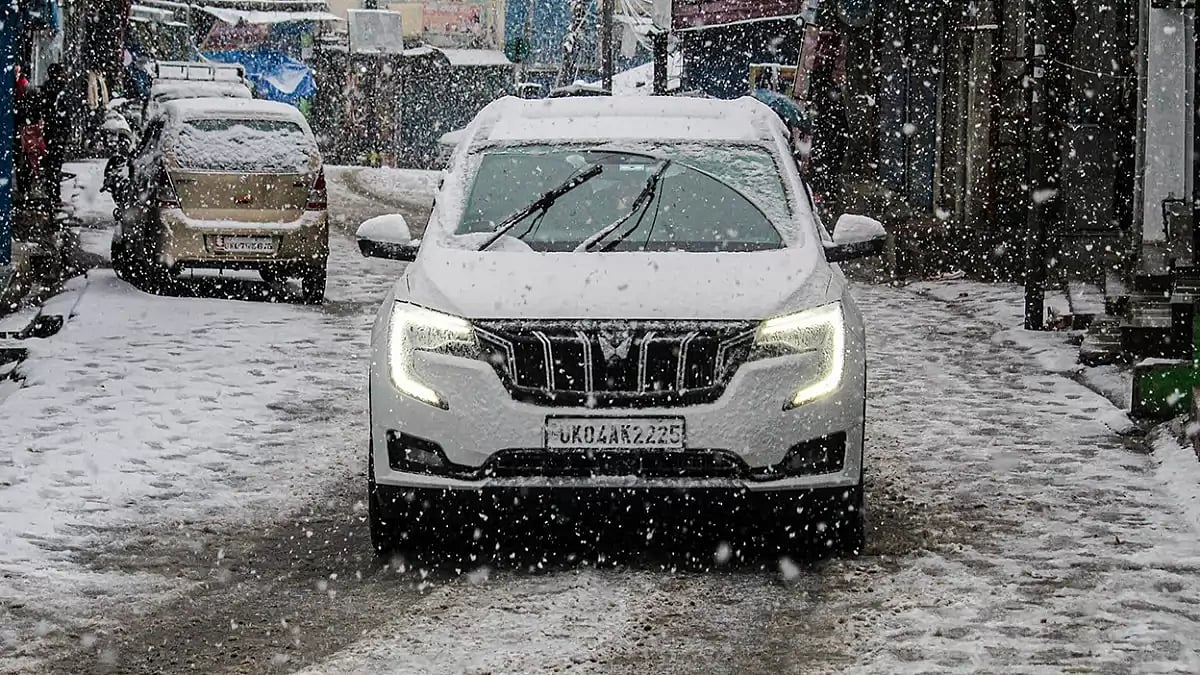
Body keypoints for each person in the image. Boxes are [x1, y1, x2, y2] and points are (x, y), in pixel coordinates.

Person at [40, 63, 71, 214]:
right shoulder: (59, 90)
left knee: (52, 163)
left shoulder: (48, 89)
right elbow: (60, 112)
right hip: (56, 131)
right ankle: (54, 194)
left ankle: (52, 192)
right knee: (55, 163)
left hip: (51, 131)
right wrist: (63, 129)